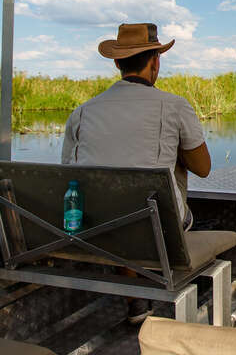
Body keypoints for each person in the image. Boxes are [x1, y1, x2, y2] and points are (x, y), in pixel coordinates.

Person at [61, 22, 211, 230]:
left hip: (96, 227)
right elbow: (203, 169)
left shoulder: (82, 112)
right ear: (155, 61)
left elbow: (67, 172)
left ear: (116, 62)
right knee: (172, 157)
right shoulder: (174, 106)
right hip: (157, 227)